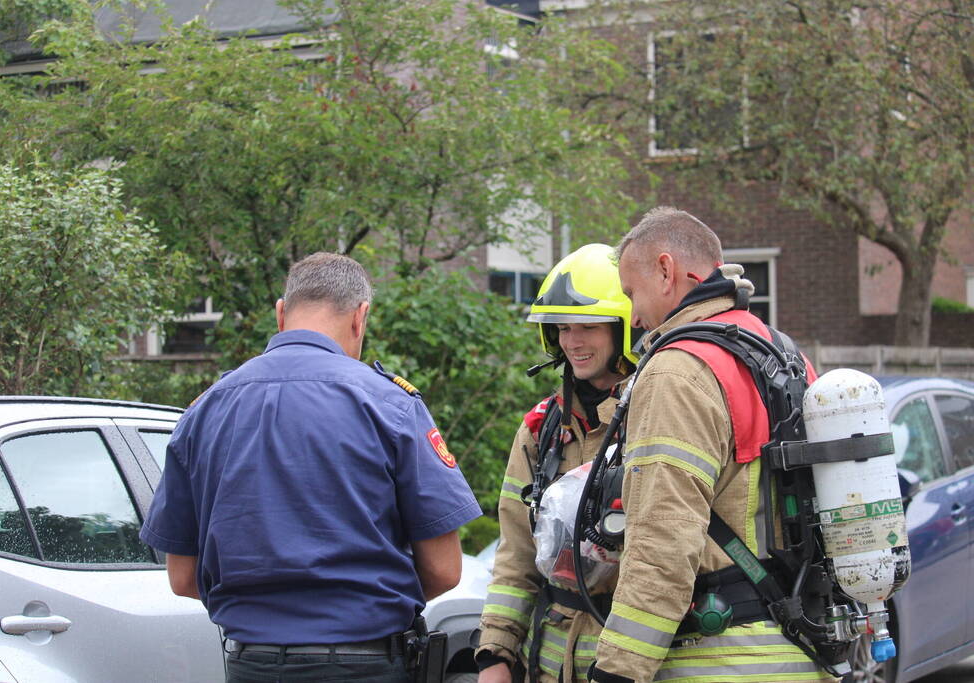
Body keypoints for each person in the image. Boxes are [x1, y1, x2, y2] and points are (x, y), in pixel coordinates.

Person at [139, 252, 483, 683]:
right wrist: (365, 610)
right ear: (361, 318)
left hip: (252, 664)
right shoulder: (390, 405)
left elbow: (182, 576)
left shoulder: (206, 409)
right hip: (367, 663)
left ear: (281, 313)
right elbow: (445, 570)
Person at [588, 207, 834, 682]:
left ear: (666, 270)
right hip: (801, 650)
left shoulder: (677, 371)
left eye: (631, 294)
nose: (634, 317)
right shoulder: (784, 353)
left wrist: (618, 672)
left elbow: (663, 543)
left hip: (717, 658)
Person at [476, 244, 639, 683]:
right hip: (549, 661)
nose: (572, 342)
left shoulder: (655, 420)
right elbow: (515, 553)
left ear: (625, 330)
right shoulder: (540, 430)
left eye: (587, 326)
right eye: (563, 328)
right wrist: (495, 653)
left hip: (630, 662)